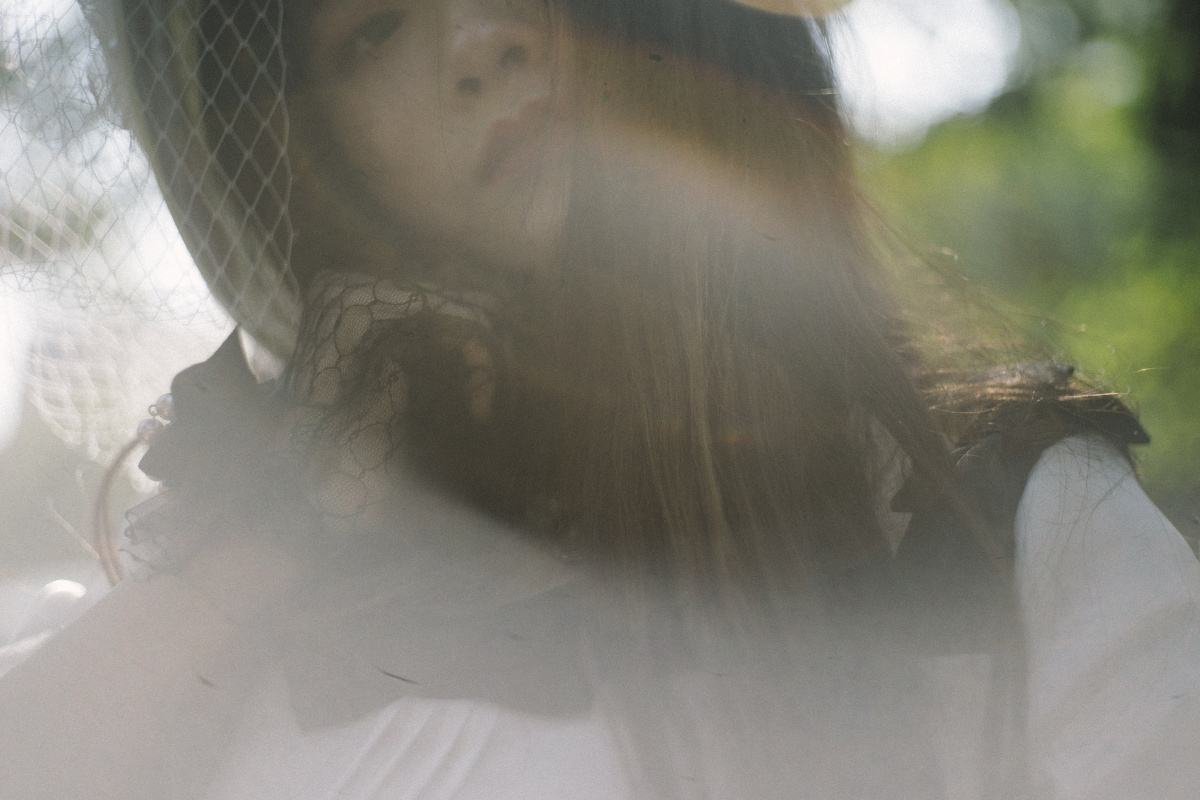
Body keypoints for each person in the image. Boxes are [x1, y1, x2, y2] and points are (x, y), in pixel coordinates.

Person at [1, 0, 1199, 797]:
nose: (479, 41)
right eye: (375, 28)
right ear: (300, 155)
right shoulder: (230, 618)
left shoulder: (1029, 529)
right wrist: (263, 546)